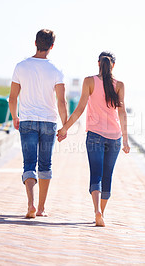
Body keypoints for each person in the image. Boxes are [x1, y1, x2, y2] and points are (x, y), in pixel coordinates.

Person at [57, 51, 130, 227]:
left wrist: (64, 128)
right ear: (113, 65)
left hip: (95, 135)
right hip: (115, 138)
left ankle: (97, 210)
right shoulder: (119, 85)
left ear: (98, 63)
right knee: (107, 177)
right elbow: (122, 113)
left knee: (95, 174)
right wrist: (126, 140)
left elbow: (80, 108)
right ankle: (102, 214)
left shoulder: (89, 81)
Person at [9, 29, 68, 218]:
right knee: (45, 164)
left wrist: (14, 117)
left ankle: (30, 205)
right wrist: (64, 126)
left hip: (26, 120)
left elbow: (12, 98)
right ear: (51, 46)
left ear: (35, 43)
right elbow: (61, 101)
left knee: (29, 164)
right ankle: (42, 208)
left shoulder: (21, 66)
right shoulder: (57, 70)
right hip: (49, 122)